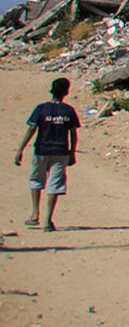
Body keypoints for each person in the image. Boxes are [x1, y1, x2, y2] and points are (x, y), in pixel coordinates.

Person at [15, 78, 80, 232]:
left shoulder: (41, 109)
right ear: (66, 92)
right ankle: (48, 220)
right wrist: (72, 153)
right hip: (61, 152)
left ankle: (34, 214)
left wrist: (20, 149)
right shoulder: (69, 111)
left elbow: (31, 129)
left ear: (51, 90)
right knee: (55, 185)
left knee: (36, 180)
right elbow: (73, 134)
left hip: (41, 150)